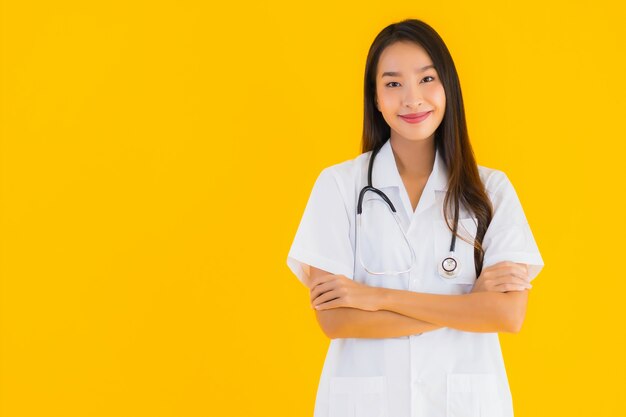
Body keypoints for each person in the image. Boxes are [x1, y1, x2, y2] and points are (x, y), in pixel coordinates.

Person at [286, 18, 544, 417]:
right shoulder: (338, 186)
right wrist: (467, 307)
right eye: (392, 84)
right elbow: (336, 320)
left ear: (448, 88)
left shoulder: (491, 190)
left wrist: (375, 298)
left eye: (426, 79)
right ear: (375, 98)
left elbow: (507, 315)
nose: (411, 99)